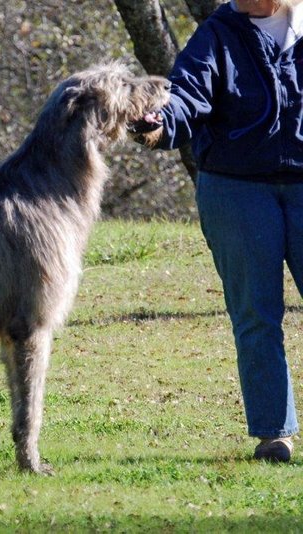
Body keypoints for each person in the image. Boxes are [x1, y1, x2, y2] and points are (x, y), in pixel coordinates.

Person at [151, 0, 303, 462]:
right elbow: (184, 97)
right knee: (256, 314)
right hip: (236, 191)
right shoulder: (216, 35)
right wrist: (157, 121)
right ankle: (274, 433)